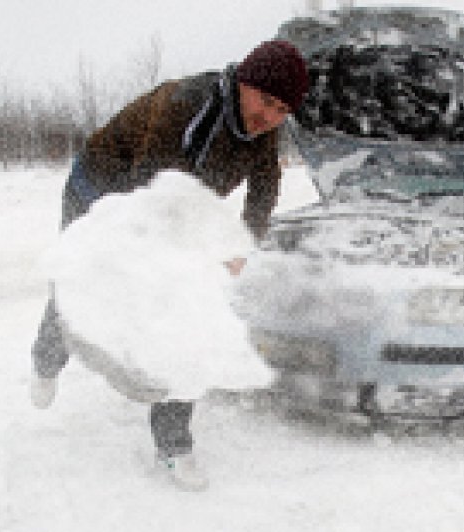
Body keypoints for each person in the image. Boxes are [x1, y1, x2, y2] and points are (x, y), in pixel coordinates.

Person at [30, 40, 310, 491]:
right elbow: (148, 192)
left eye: (282, 110)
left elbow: (264, 189)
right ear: (243, 83)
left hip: (174, 207)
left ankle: (173, 444)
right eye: (265, 102)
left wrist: (242, 245)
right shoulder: (188, 107)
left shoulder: (264, 132)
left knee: (189, 314)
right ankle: (46, 360)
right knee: (81, 282)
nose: (269, 117)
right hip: (100, 190)